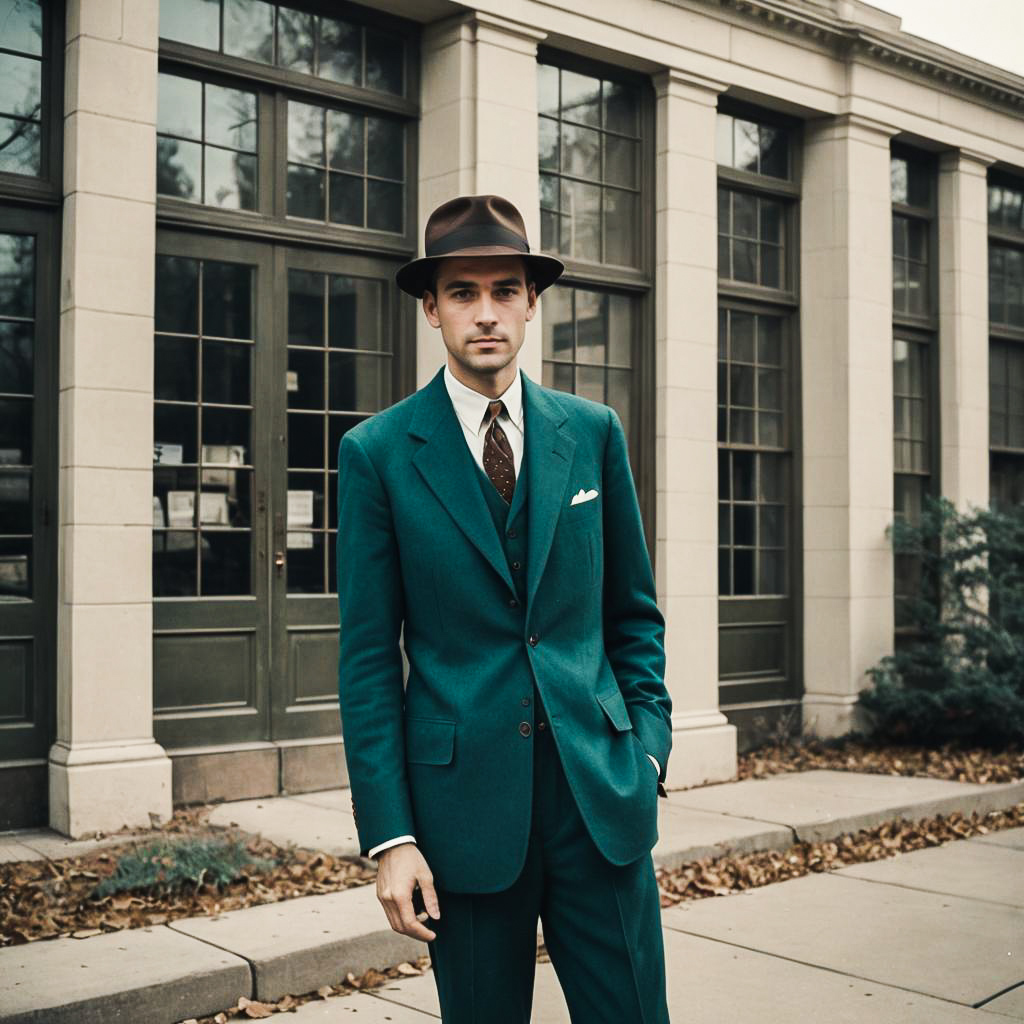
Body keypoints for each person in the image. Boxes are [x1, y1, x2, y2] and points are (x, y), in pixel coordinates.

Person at [336, 193, 672, 1023]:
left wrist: (650, 754)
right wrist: (392, 837)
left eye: (503, 291)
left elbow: (634, 616)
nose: (485, 314)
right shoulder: (378, 453)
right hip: (463, 821)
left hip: (600, 799)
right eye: (462, 293)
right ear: (431, 308)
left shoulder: (592, 432)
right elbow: (369, 660)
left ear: (531, 303)